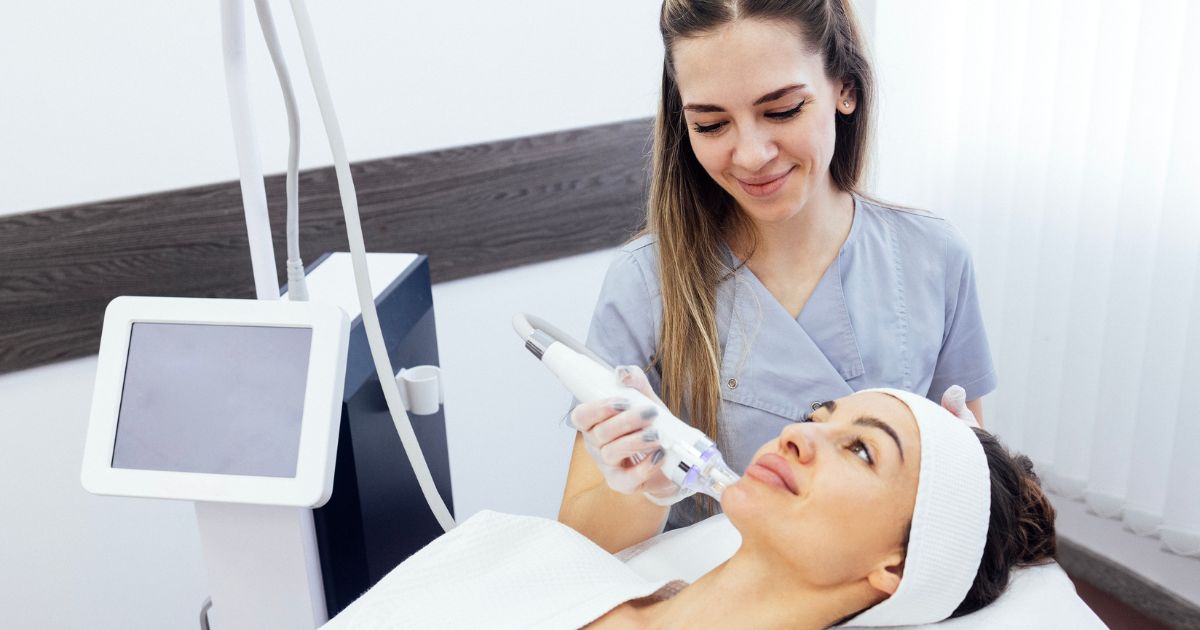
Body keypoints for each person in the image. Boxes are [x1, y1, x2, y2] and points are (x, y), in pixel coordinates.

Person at [560, 0, 997, 547]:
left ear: (845, 88)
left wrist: (975, 468)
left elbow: (971, 482)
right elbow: (584, 542)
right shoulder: (645, 283)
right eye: (711, 123)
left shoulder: (934, 257)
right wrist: (641, 488)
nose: (750, 154)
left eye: (782, 110)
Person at [322, 389, 1056, 629]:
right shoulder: (541, 560)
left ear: (897, 564)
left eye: (862, 450)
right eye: (820, 416)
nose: (801, 435)